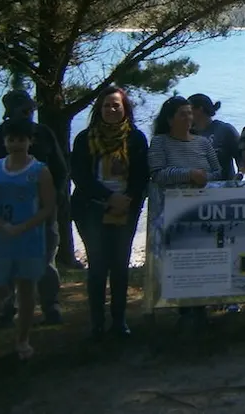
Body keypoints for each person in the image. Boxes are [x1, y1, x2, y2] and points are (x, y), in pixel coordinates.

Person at [0, 89, 66, 325]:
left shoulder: (44, 134)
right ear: (10, 111)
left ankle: (51, 307)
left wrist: (54, 201)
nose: (28, 113)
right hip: (7, 214)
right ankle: (6, 309)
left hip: (42, 211)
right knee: (7, 261)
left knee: (45, 260)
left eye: (30, 109)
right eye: (23, 109)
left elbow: (61, 170)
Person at [0, 118, 56, 363]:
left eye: (21, 139)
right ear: (5, 141)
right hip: (1, 239)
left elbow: (48, 206)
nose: (16, 143)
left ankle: (23, 340)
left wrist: (23, 226)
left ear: (30, 141)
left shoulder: (39, 170)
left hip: (29, 239)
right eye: (11, 139)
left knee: (26, 290)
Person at [71, 87, 149, 339]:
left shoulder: (136, 139)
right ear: (98, 110)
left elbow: (141, 176)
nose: (112, 110)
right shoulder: (85, 138)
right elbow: (80, 176)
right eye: (106, 106)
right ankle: (96, 323)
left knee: (119, 265)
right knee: (97, 266)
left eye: (116, 105)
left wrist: (126, 200)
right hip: (91, 209)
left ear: (125, 109)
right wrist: (107, 198)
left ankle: (119, 321)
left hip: (126, 208)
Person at [149, 96, 222, 327]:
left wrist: (203, 178)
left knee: (201, 259)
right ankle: (185, 311)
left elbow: (217, 172)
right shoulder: (160, 143)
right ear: (170, 119)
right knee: (180, 262)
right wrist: (189, 174)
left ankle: (201, 310)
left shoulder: (203, 143)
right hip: (173, 214)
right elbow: (158, 174)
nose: (189, 117)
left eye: (190, 113)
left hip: (202, 210)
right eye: (183, 113)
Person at [189, 93, 242, 181]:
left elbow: (241, 158)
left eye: (189, 110)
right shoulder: (186, 134)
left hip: (223, 188)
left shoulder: (224, 129)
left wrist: (239, 175)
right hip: (194, 190)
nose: (186, 115)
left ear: (200, 109)